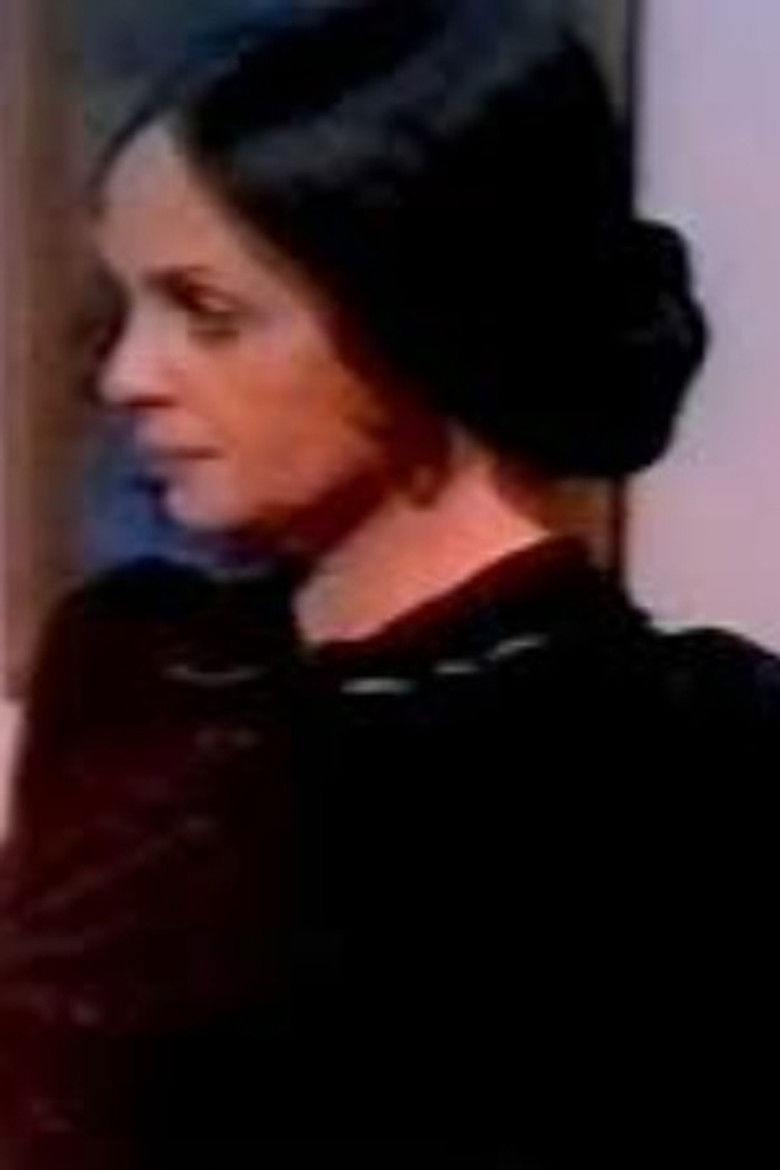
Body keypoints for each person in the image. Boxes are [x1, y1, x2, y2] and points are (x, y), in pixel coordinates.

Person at [0, 2, 775, 1167]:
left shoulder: (695, 758)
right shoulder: (138, 662)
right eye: (126, 307)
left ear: (417, 319)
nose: (125, 377)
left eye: (207, 312)